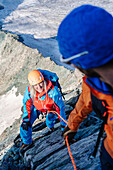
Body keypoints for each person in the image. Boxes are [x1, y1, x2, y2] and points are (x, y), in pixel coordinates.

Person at [57, 4, 113, 169]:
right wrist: (72, 125)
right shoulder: (95, 83)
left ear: (81, 63)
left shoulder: (95, 82)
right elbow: (85, 102)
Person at [20, 69, 67, 150]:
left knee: (50, 117)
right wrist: (26, 119)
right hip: (36, 107)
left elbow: (60, 109)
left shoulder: (53, 91)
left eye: (40, 83)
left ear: (43, 80)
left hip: (50, 107)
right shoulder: (29, 91)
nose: (39, 87)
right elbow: (26, 105)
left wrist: (64, 127)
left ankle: (51, 127)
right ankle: (27, 142)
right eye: (35, 85)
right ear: (32, 86)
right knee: (25, 125)